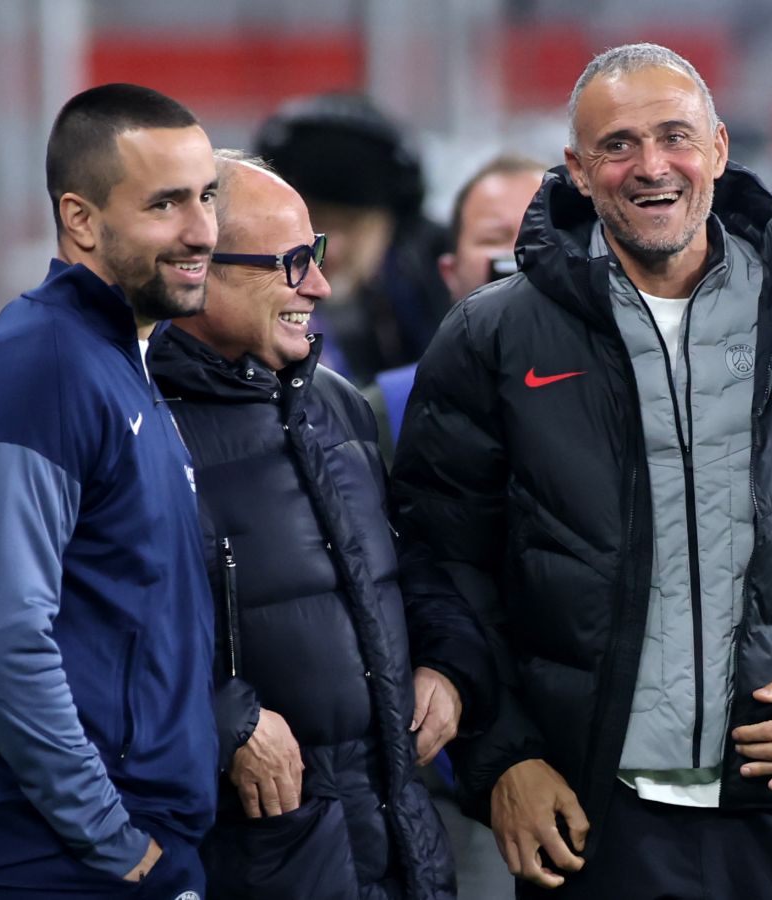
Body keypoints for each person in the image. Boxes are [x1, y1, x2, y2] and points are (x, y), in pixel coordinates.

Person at [393, 43, 772, 898]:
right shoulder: (490, 335)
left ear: (718, 148)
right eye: (617, 145)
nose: (651, 166)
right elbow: (442, 561)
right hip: (586, 816)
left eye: (675, 136)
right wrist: (504, 758)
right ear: (578, 170)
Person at [149, 152, 494, 899]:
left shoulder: (337, 404)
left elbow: (407, 567)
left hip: (401, 849)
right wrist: (225, 722)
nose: (320, 286)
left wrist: (448, 664)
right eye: (290, 263)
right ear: (197, 268)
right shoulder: (135, 423)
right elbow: (90, 635)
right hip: (256, 858)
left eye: (317, 255)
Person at [0, 83, 217, 897]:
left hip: (140, 836)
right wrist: (110, 837)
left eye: (207, 196)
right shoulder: (44, 363)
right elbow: (8, 633)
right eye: (165, 204)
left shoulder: (119, 356)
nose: (202, 231)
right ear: (81, 220)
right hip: (73, 856)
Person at [255, 93, 453, 385]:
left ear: (392, 228)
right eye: (313, 222)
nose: (330, 249)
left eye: (352, 226)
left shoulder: (436, 292)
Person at [367, 153, 547, 460]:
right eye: (495, 238)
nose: (520, 254)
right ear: (450, 273)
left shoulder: (615, 389)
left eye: (541, 234)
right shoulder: (389, 409)